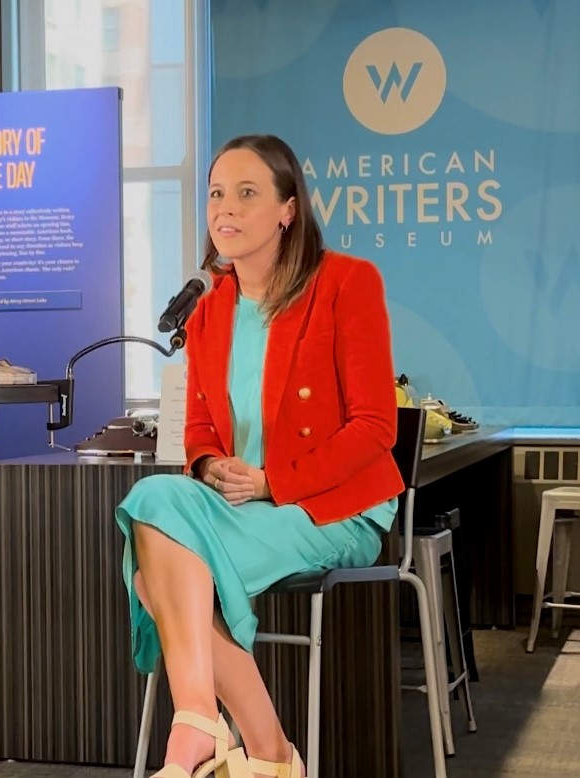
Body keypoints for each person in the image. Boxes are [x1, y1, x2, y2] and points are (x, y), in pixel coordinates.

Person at [115, 134, 404, 778]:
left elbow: (376, 428)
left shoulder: (346, 283)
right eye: (218, 194)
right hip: (238, 507)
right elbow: (199, 429)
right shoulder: (210, 306)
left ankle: (229, 740)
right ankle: (235, 735)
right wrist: (210, 466)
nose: (227, 209)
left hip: (334, 508)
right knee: (156, 499)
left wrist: (276, 481)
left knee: (154, 578)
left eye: (248, 194)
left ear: (287, 209)